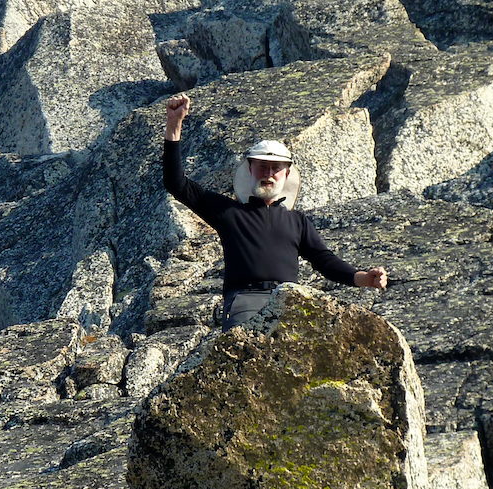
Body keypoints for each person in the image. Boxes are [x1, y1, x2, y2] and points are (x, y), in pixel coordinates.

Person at [161, 93, 388, 329]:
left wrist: (363, 278)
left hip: (289, 302)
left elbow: (325, 261)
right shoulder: (228, 212)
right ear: (250, 169)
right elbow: (176, 183)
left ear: (287, 173)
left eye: (275, 168)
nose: (268, 173)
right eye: (262, 166)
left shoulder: (297, 221)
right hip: (244, 302)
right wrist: (174, 124)